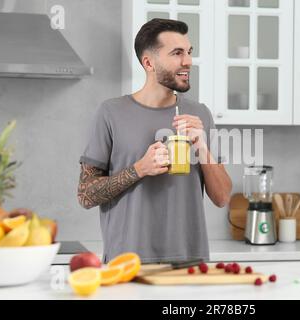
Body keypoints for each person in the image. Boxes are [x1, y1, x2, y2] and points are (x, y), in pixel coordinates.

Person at [77, 19, 232, 264]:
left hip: (189, 264)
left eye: (189, 53)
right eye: (177, 53)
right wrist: (139, 169)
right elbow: (86, 195)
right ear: (148, 62)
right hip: (127, 265)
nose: (188, 61)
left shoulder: (200, 115)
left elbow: (222, 197)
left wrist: (202, 148)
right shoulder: (111, 113)